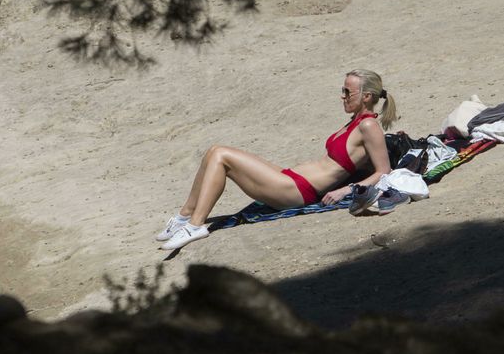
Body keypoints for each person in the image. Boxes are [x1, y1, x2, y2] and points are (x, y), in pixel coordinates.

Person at [154, 69, 400, 251]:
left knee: (221, 156)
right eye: (343, 90)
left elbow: (383, 171)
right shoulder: (356, 121)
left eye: (348, 92)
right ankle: (184, 217)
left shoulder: (368, 125)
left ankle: (196, 225)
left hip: (297, 192)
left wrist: (346, 190)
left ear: (367, 96)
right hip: (291, 179)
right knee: (213, 151)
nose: (342, 96)